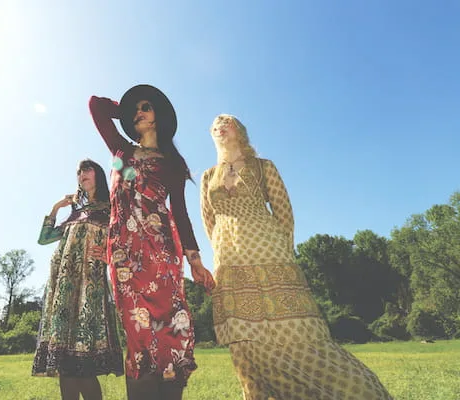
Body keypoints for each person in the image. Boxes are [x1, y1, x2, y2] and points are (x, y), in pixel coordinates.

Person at [200, 114, 393, 400]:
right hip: (229, 261)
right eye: (215, 125)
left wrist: (281, 251)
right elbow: (208, 220)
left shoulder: (264, 167)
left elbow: (284, 213)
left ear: (239, 131)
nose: (219, 126)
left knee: (294, 332)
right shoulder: (207, 176)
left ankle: (359, 392)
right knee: (243, 340)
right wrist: (221, 251)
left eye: (225, 122)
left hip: (269, 252)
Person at [89, 85, 215, 400]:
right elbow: (96, 106)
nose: (138, 113)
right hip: (124, 257)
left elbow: (180, 214)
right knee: (138, 332)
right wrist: (126, 110)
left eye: (145, 107)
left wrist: (196, 261)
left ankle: (171, 390)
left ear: (159, 115)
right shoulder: (121, 151)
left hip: (161, 255)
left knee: (170, 327)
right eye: (135, 110)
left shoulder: (171, 162)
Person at [32, 159, 124, 400]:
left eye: (86, 169)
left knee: (84, 363)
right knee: (65, 364)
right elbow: (44, 238)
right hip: (63, 287)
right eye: (78, 172)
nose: (81, 174)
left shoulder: (111, 208)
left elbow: (125, 242)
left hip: (89, 287)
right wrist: (56, 208)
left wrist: (110, 255)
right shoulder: (76, 213)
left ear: (98, 174)